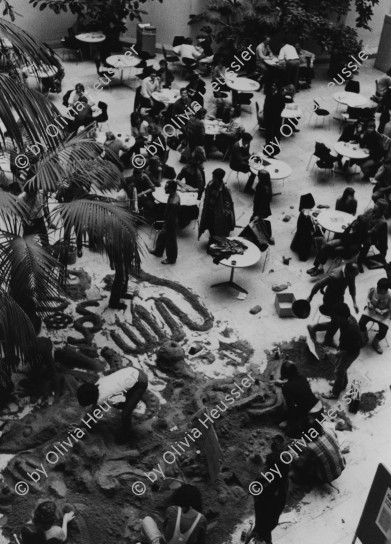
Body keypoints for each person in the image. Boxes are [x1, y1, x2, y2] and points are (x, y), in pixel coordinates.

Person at [77, 366, 148, 441]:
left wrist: (81, 426)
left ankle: (124, 437)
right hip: (131, 371)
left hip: (140, 381)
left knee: (126, 413)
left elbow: (93, 412)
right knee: (118, 403)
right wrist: (82, 425)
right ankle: (127, 403)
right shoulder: (97, 384)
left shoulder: (102, 397)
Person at [307, 262, 359, 347]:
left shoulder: (351, 274)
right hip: (329, 300)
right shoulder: (335, 276)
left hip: (339, 298)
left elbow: (352, 287)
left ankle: (317, 330)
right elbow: (318, 284)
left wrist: (355, 303)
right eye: (353, 275)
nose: (354, 277)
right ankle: (323, 335)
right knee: (337, 321)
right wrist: (310, 297)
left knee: (337, 321)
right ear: (347, 271)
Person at [141, 484, 207, 544]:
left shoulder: (173, 510)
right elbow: (201, 541)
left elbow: (165, 528)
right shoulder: (202, 519)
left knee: (147, 520)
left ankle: (144, 539)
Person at [322, 303, 362, 399]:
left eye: (336, 317)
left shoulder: (351, 328)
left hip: (350, 353)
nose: (335, 319)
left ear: (341, 316)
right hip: (346, 348)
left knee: (338, 371)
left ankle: (335, 393)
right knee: (340, 368)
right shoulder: (345, 320)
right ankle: (342, 384)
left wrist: (336, 353)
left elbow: (354, 347)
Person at [274, 361, 323, 438]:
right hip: (318, 406)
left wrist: (289, 422)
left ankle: (305, 428)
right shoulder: (302, 377)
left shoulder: (287, 388)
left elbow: (291, 407)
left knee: (288, 433)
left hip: (311, 414)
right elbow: (295, 385)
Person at [249, 452, 289, 544]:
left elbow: (262, 513)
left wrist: (257, 530)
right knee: (265, 536)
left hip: (264, 524)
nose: (264, 466)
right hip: (268, 522)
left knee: (263, 537)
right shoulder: (282, 481)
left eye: (267, 465)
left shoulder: (269, 494)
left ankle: (262, 538)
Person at [198, 168, 235, 242]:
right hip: (209, 209)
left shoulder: (224, 189)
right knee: (209, 224)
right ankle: (212, 237)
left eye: (214, 176)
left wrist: (225, 211)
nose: (212, 177)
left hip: (218, 212)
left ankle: (214, 239)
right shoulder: (210, 184)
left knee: (217, 227)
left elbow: (228, 201)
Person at [149, 180, 180, 264]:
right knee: (162, 236)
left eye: (166, 188)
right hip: (169, 221)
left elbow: (171, 216)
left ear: (172, 189)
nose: (165, 189)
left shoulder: (173, 202)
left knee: (171, 242)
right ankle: (158, 251)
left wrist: (166, 226)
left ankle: (171, 259)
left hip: (171, 223)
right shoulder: (173, 195)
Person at [359, 278, 391, 354]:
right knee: (361, 323)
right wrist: (369, 303)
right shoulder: (373, 289)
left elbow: (390, 309)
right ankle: (364, 338)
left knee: (383, 332)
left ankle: (375, 342)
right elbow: (368, 298)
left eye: (381, 290)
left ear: (386, 289)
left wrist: (384, 311)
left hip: (383, 315)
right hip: (371, 311)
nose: (378, 290)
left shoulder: (390, 295)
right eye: (378, 288)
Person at [357, 200, 388, 270]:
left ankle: (359, 261)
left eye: (377, 205)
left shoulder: (382, 221)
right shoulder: (371, 211)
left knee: (367, 243)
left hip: (371, 236)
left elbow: (371, 232)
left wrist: (362, 229)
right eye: (376, 203)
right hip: (364, 230)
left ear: (381, 209)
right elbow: (362, 217)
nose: (374, 205)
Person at [263, 82, 285, 156]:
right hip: (269, 116)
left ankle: (276, 147)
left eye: (275, 85)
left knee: (276, 132)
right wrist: (265, 114)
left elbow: (282, 106)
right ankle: (268, 146)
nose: (273, 87)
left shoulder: (280, 95)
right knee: (268, 132)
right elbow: (265, 105)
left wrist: (277, 113)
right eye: (272, 85)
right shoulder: (269, 94)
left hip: (277, 117)